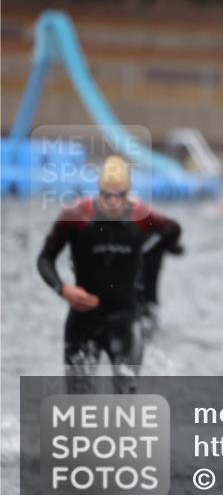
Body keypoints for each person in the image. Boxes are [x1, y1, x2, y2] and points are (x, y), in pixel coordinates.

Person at [36, 155, 182, 394]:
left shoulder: (142, 216)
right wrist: (63, 289)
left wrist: (146, 254)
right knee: (78, 401)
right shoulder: (76, 217)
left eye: (120, 196)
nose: (113, 202)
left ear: (129, 194)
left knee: (125, 389)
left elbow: (173, 230)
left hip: (124, 322)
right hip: (83, 322)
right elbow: (45, 259)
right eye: (107, 195)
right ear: (98, 192)